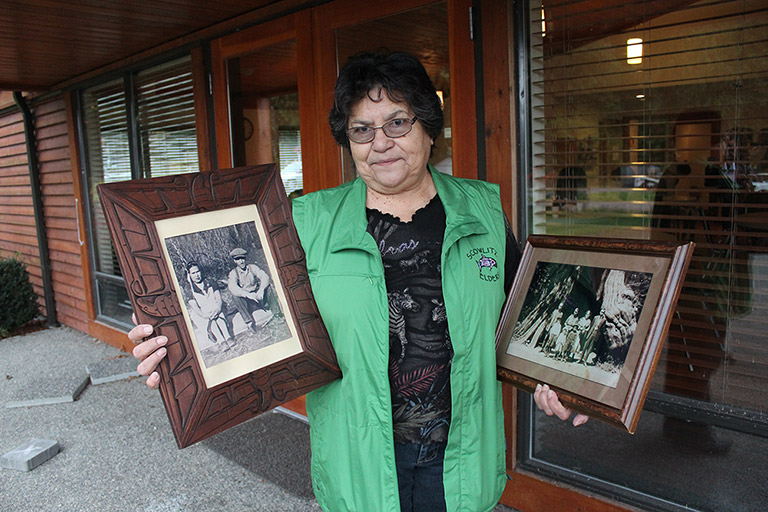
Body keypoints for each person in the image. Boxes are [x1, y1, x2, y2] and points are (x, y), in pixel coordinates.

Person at [130, 51, 587, 512]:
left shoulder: (482, 210)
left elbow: (528, 312)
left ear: (428, 126)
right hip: (359, 465)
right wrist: (171, 344)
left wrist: (570, 381)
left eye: (397, 123)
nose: (381, 142)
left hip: (462, 460)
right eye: (362, 129)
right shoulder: (306, 222)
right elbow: (249, 315)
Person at [185, 262, 233, 349]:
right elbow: (195, 307)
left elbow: (218, 298)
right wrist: (206, 316)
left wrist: (218, 308)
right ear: (189, 275)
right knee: (210, 320)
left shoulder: (209, 281)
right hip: (201, 312)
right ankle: (221, 340)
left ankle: (228, 336)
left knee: (217, 313)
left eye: (198, 271)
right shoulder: (189, 289)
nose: (197, 275)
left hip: (214, 306)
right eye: (193, 273)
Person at [226, 247, 272, 333]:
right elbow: (232, 287)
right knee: (235, 297)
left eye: (242, 258)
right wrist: (247, 295)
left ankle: (277, 314)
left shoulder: (252, 267)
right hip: (248, 302)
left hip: (258, 297)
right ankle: (249, 322)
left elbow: (264, 276)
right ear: (234, 261)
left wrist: (261, 289)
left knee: (268, 287)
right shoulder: (233, 273)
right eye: (238, 259)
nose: (241, 261)